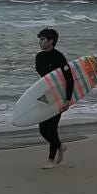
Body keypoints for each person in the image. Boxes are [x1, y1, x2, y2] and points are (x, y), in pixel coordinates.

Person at [35, 28, 75, 169]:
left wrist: (67, 100)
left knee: (51, 128)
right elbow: (43, 79)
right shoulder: (39, 57)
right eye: (40, 39)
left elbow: (69, 79)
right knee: (42, 129)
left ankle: (51, 160)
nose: (40, 42)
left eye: (43, 39)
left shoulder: (59, 57)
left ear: (50, 41)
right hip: (46, 96)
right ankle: (60, 146)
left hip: (58, 97)